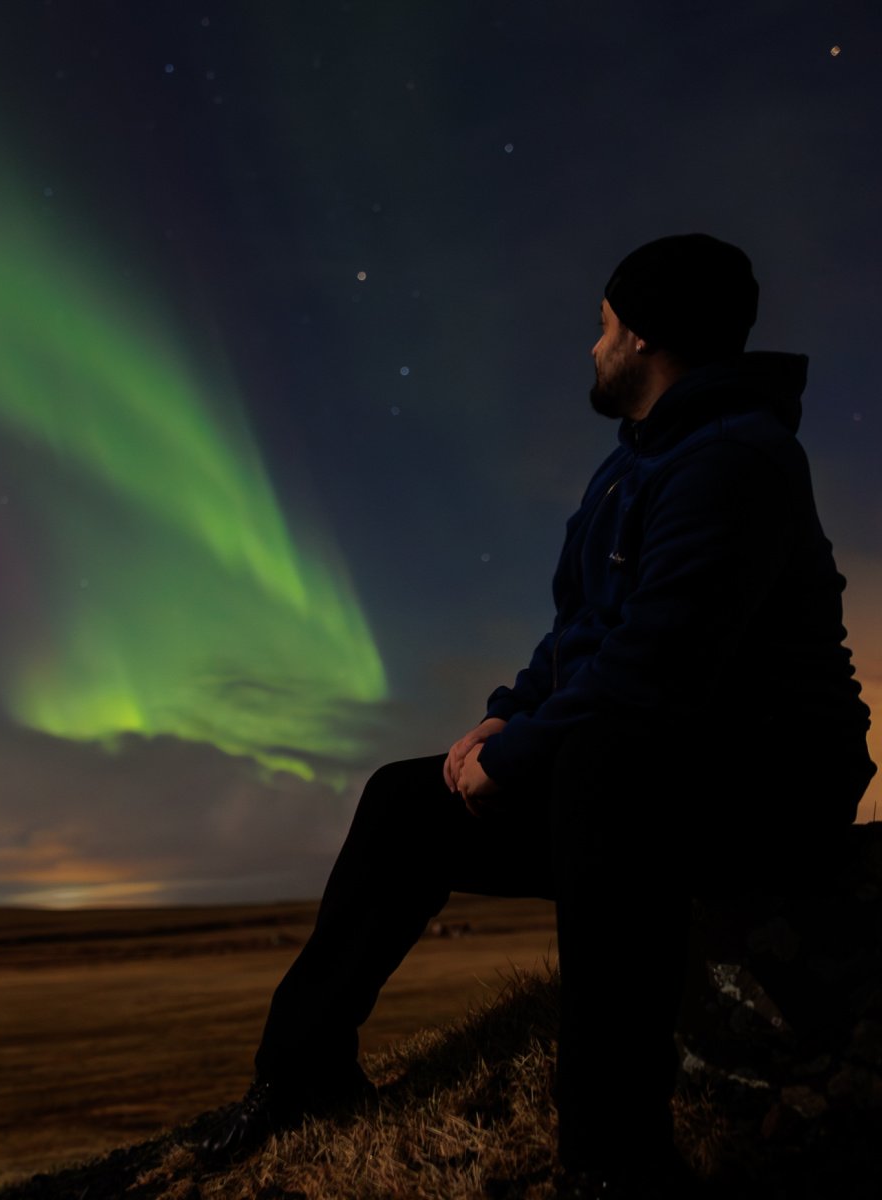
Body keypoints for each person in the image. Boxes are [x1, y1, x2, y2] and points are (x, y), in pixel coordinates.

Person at [202, 234, 876, 1199]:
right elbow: (579, 644)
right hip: (646, 763)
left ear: (643, 336)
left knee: (604, 767)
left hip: (769, 784)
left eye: (602, 326)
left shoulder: (738, 460)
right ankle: (302, 1075)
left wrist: (523, 759)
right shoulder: (632, 467)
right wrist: (501, 721)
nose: (590, 347)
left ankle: (613, 1157)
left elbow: (661, 667)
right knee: (405, 798)